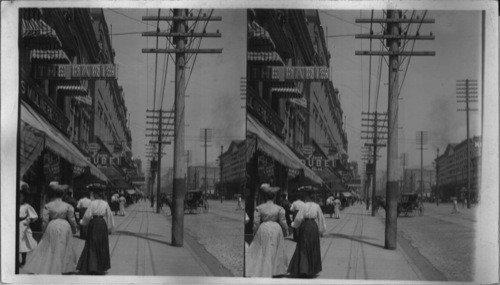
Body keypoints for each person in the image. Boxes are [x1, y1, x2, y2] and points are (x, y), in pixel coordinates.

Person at [23, 181, 78, 274]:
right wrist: (74, 229)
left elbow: (45, 220)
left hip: (52, 225)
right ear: (63, 195)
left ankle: (51, 265)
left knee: (51, 246)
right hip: (65, 226)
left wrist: (44, 230)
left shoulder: (48, 205)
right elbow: (72, 219)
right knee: (63, 245)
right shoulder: (68, 206)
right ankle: (63, 267)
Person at [245, 183, 289, 278]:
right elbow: (283, 221)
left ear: (265, 197)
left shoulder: (259, 208)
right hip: (276, 228)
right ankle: (276, 269)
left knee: (263, 248)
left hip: (264, 228)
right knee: (276, 248)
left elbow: (256, 222)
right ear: (274, 197)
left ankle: (264, 268)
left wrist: (254, 232)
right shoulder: (279, 208)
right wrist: (286, 230)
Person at [288, 191, 326, 278]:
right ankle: (311, 269)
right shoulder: (317, 206)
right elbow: (321, 218)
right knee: (313, 246)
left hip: (305, 226)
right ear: (314, 198)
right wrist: (321, 230)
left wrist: (294, 225)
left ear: (307, 198)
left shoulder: (304, 206)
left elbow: (299, 217)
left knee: (303, 246)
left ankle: (303, 269)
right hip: (313, 226)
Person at [77, 189, 115, 275]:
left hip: (93, 223)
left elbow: (87, 215)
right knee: (101, 244)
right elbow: (109, 215)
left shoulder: (92, 203)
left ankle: (92, 266)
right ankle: (100, 267)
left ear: (96, 195)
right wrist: (110, 228)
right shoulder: (105, 204)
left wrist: (82, 222)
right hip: (102, 224)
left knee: (92, 244)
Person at [18, 181, 38, 268]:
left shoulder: (27, 206)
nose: (19, 197)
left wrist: (29, 220)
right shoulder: (14, 205)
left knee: (23, 243)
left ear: (24, 196)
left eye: (21, 196)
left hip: (23, 225)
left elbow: (34, 216)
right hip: (15, 225)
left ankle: (23, 260)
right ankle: (15, 260)